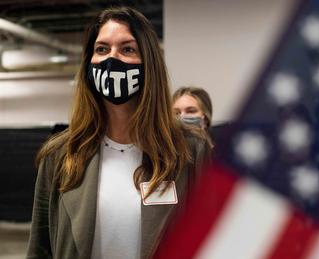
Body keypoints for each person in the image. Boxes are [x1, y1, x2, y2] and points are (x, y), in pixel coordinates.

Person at [26, 7, 209, 259]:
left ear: (149, 62)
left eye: (127, 49)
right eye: (102, 49)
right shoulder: (59, 156)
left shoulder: (191, 151)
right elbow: (40, 250)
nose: (113, 59)